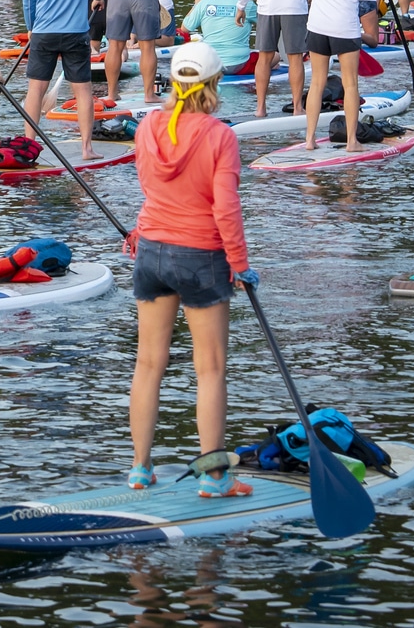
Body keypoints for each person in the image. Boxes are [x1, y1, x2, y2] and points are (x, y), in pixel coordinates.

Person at [126, 40, 254, 497]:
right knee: (211, 369)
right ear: (213, 84)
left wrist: (140, 233)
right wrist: (239, 264)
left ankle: (141, 469)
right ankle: (214, 476)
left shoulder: (146, 128)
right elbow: (226, 209)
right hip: (201, 257)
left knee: (147, 364)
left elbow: (149, 189)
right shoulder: (221, 137)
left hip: (152, 253)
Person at [19, 0, 112, 157]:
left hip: (43, 33)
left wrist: (30, 28)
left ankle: (29, 146)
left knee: (35, 90)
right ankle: (86, 148)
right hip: (75, 33)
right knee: (82, 91)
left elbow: (28, 0)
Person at [302, 0, 379, 152]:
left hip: (317, 26)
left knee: (316, 83)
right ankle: (352, 141)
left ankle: (309, 140)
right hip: (344, 29)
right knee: (351, 84)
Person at [184, 0, 255, 74]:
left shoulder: (204, 3)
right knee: (274, 57)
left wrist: (197, 4)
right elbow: (266, 22)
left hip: (210, 64)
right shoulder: (248, 5)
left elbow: (184, 29)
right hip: (239, 64)